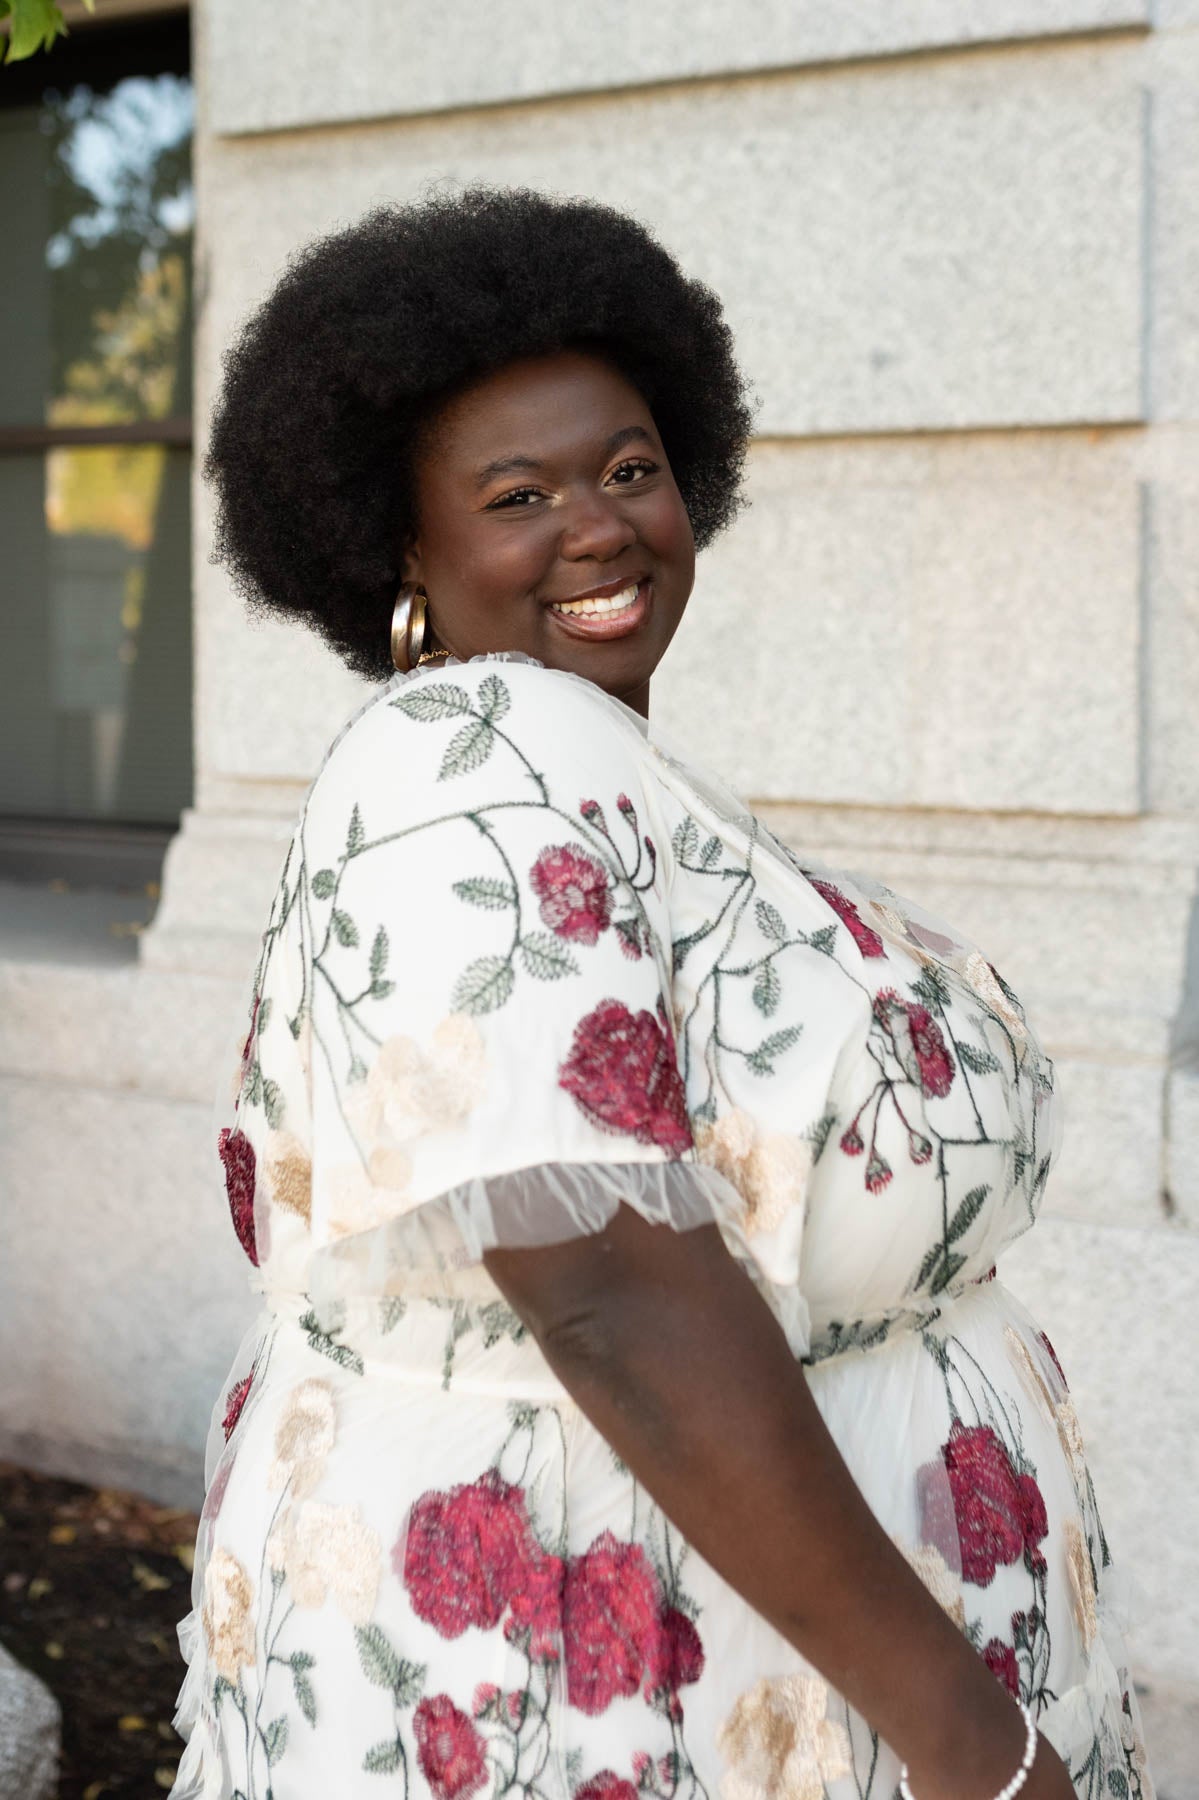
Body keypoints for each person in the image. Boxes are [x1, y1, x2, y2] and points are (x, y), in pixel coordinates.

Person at [170, 187, 1154, 1800]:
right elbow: (610, 1297)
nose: (601, 522)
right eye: (518, 493)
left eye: (630, 468)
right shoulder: (462, 760)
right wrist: (975, 1749)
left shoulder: (589, 762)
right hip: (624, 1666)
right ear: (401, 547)